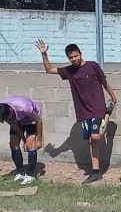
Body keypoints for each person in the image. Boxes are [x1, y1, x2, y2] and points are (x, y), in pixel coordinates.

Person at [38, 40, 116, 182]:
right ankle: (96, 172)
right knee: (93, 142)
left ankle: (107, 114)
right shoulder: (69, 71)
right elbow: (49, 70)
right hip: (83, 112)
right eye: (71, 57)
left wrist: (113, 96)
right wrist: (44, 54)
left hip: (98, 108)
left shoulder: (93, 66)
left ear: (80, 53)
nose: (74, 59)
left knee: (96, 136)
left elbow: (104, 82)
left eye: (76, 56)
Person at [0, 95, 45, 183]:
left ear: (10, 112)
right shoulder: (3, 111)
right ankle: (20, 171)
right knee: (13, 144)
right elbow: (14, 125)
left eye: (7, 119)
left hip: (31, 119)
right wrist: (24, 140)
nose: (6, 121)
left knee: (31, 144)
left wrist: (39, 140)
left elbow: (39, 121)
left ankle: (31, 175)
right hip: (18, 120)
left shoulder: (24, 107)